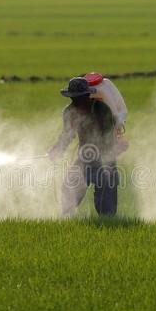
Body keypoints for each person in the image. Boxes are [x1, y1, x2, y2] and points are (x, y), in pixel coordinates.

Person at [48, 76, 128, 217]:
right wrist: (57, 149)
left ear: (87, 96)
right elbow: (67, 135)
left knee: (106, 206)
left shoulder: (102, 110)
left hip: (105, 159)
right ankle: (67, 220)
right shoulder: (69, 112)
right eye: (73, 99)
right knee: (69, 188)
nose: (76, 102)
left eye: (79, 98)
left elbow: (108, 137)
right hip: (84, 158)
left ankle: (108, 224)